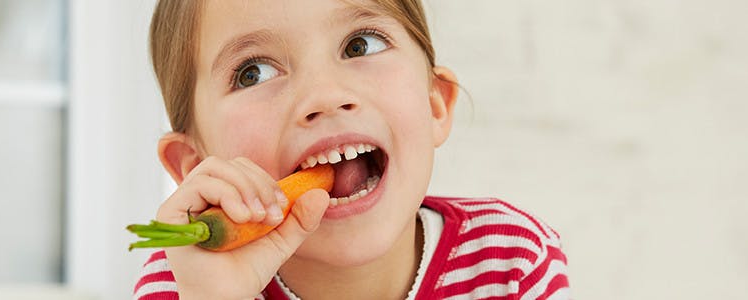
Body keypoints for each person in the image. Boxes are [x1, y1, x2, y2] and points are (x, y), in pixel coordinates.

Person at [135, 0, 569, 299]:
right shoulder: (186, 278)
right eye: (253, 73)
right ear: (194, 166)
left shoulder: (510, 260)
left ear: (434, 104)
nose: (324, 95)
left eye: (360, 45)